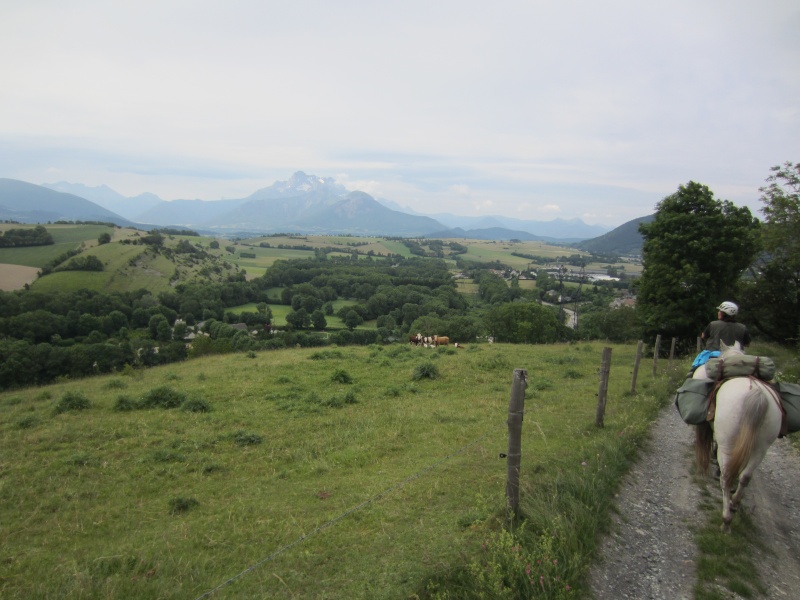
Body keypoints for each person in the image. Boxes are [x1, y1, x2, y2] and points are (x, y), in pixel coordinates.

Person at [691, 301, 751, 369]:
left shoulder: (713, 324)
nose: (718, 312)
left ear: (724, 313)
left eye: (720, 311)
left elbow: (704, 337)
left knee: (694, 369)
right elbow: (747, 344)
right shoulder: (743, 327)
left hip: (714, 356)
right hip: (736, 357)